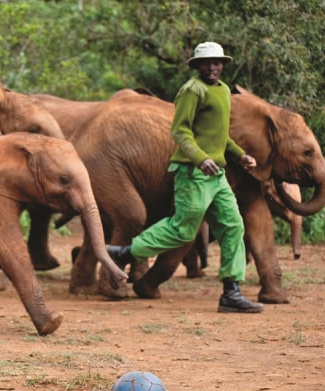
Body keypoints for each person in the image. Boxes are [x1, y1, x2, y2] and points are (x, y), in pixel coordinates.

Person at [106, 42, 263, 314]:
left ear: (223, 64)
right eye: (206, 63)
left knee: (233, 226)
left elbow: (219, 135)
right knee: (183, 229)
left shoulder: (224, 90)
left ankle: (231, 292)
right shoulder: (192, 91)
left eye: (216, 62)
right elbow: (180, 132)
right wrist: (200, 158)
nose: (212, 67)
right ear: (197, 66)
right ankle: (123, 253)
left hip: (217, 175)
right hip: (193, 173)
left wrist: (240, 156)